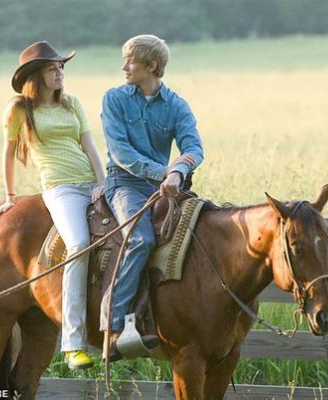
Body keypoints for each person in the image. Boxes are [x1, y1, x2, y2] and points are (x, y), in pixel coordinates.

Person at [0, 41, 105, 370]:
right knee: (79, 244)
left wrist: (103, 183)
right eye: (53, 68)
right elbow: (8, 153)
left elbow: (91, 147)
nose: (60, 73)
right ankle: (72, 343)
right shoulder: (20, 110)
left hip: (90, 183)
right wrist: (10, 196)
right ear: (36, 76)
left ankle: (123, 328)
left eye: (62, 67)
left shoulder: (73, 104)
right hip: (60, 189)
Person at [100, 34, 204, 360]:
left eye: (130, 61)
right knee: (141, 238)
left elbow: (193, 148)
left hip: (166, 185)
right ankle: (113, 328)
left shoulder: (177, 105)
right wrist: (165, 172)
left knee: (205, 236)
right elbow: (120, 153)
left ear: (152, 66)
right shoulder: (114, 99)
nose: (124, 67)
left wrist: (179, 172)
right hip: (124, 184)